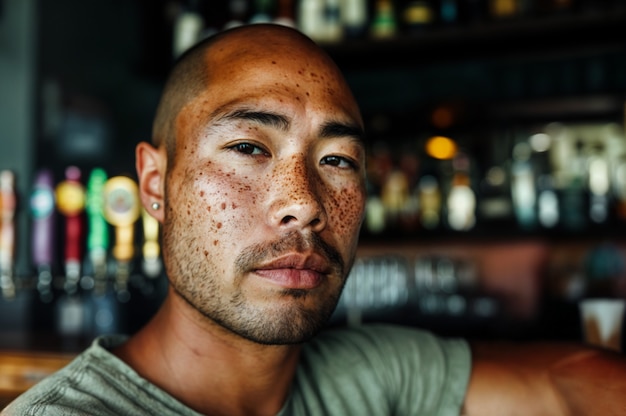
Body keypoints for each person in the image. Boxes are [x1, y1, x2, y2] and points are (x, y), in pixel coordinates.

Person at [3, 23, 626, 416]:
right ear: (156, 184)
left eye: (336, 159)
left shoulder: (366, 375)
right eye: (249, 148)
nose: (302, 200)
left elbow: (570, 384)